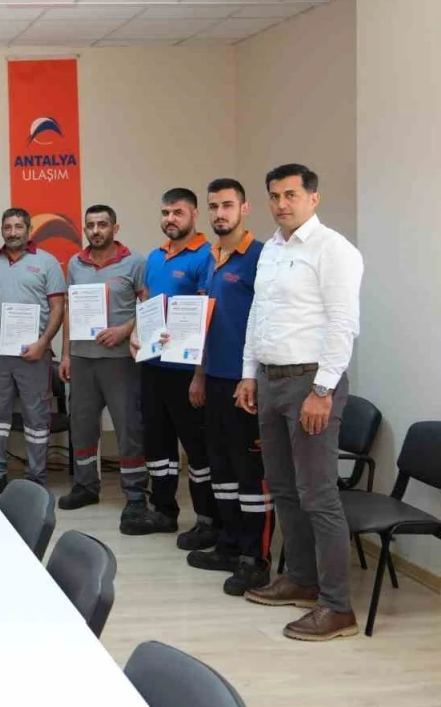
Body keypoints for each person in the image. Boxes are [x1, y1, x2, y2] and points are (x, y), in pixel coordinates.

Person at [237, 164, 363, 642]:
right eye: (274, 196)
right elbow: (258, 314)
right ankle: (302, 580)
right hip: (270, 381)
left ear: (314, 198)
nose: (281, 203)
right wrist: (248, 373)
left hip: (311, 383)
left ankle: (337, 607)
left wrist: (323, 390)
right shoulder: (271, 249)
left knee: (318, 495)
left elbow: (343, 324)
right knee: (284, 489)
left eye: (291, 194)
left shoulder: (334, 249)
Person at [186, 179, 273, 596]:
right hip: (215, 379)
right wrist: (199, 373)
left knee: (249, 472)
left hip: (246, 384)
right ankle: (228, 543)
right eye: (213, 206)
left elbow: (264, 323)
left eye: (227, 205)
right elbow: (203, 322)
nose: (219, 213)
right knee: (220, 467)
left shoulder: (261, 257)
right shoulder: (211, 257)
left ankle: (255, 559)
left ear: (244, 208)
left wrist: (250, 377)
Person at [130, 188, 220, 548]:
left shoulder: (206, 256)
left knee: (196, 447)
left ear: (194, 215)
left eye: (178, 213)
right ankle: (164, 511)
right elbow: (147, 304)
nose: (170, 219)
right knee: (158, 442)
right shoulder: (155, 257)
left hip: (186, 370)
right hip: (153, 365)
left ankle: (207, 520)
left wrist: (200, 374)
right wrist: (135, 334)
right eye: (166, 212)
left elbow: (206, 319)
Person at [58, 205, 151, 533]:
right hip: (82, 359)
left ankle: (135, 494)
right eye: (90, 225)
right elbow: (69, 309)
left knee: (128, 427)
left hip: (120, 360)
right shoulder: (75, 264)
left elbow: (148, 306)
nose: (96, 230)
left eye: (102, 224)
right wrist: (66, 354)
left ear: (115, 227)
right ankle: (86, 485)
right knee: (82, 424)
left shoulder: (135, 262)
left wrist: (124, 331)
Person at [0, 208, 67, 497]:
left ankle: (35, 477)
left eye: (19, 227)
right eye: (8, 227)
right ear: (2, 230)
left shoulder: (47, 262)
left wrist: (43, 343)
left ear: (29, 230)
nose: (13, 232)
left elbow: (58, 308)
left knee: (36, 416)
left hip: (34, 353)